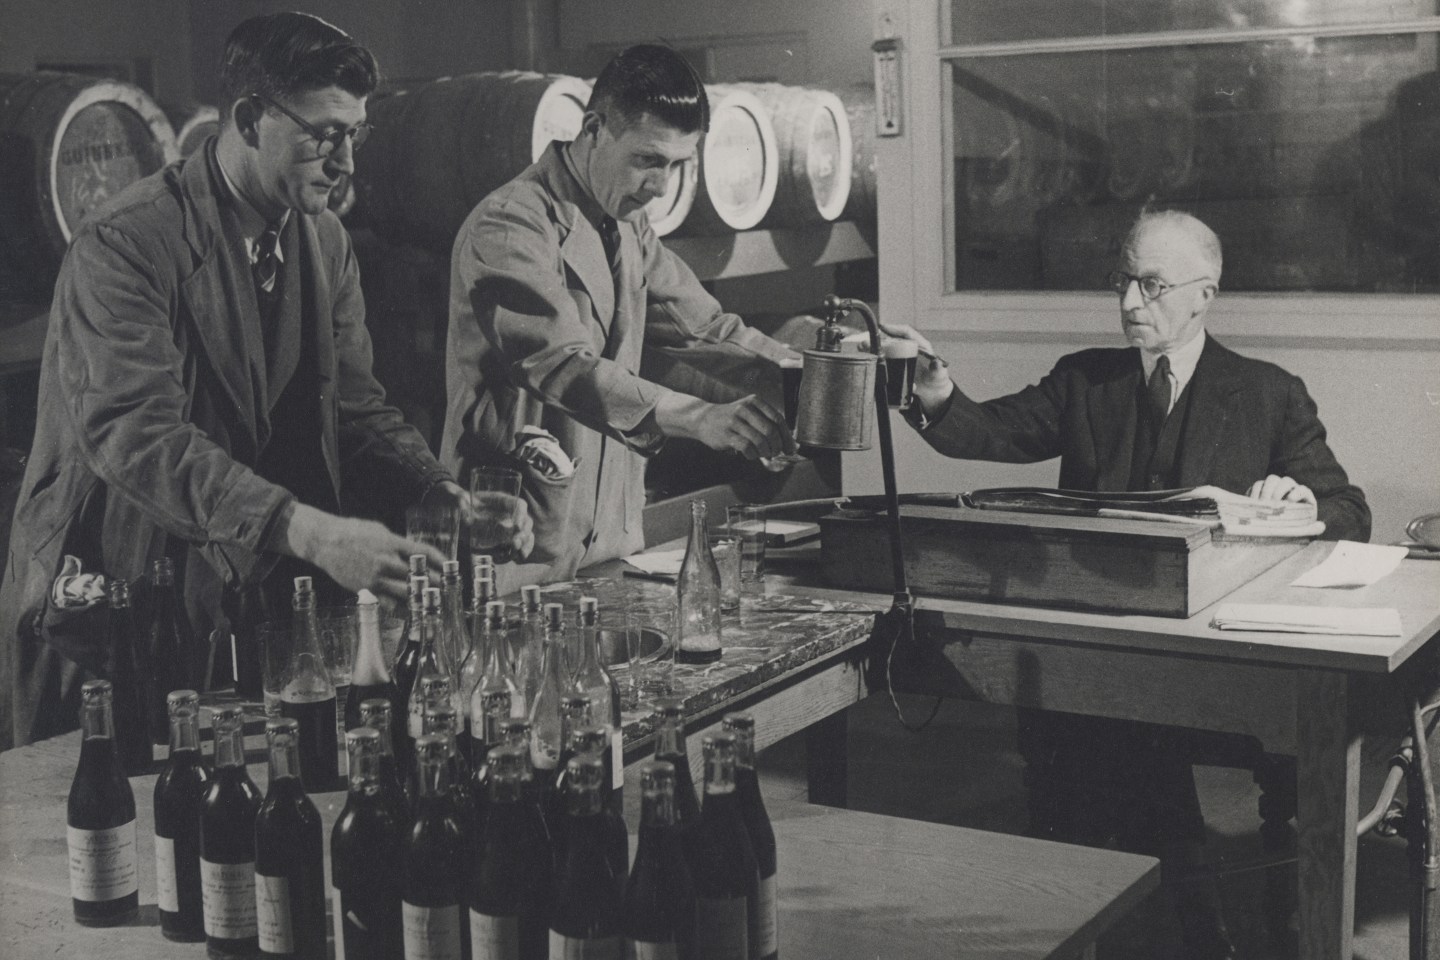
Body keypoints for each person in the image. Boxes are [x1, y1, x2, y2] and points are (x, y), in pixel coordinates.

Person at [0, 12, 531, 750]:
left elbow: (355, 408)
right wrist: (307, 530)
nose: (346, 161)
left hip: (227, 596)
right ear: (250, 118)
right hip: (110, 605)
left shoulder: (323, 238)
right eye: (325, 133)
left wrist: (440, 493)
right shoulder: (125, 242)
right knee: (110, 832)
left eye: (356, 134)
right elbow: (136, 436)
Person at [888, 209, 1370, 959]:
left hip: (1211, 661)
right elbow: (990, 431)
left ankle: (1168, 901)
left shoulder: (1268, 393)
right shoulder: (1086, 381)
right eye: (1123, 281)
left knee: (1125, 748)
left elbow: (1349, 510)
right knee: (1103, 729)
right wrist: (936, 389)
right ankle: (1179, 907)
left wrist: (1306, 505)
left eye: (1151, 285)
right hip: (1106, 648)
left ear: (1203, 295)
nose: (1128, 303)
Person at [441, 44, 799, 585]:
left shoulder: (626, 226)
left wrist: (814, 371)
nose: (660, 187)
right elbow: (562, 364)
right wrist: (699, 416)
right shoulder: (509, 223)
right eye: (648, 160)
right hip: (519, 548)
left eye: (678, 165)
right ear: (592, 129)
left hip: (607, 539)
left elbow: (704, 328)